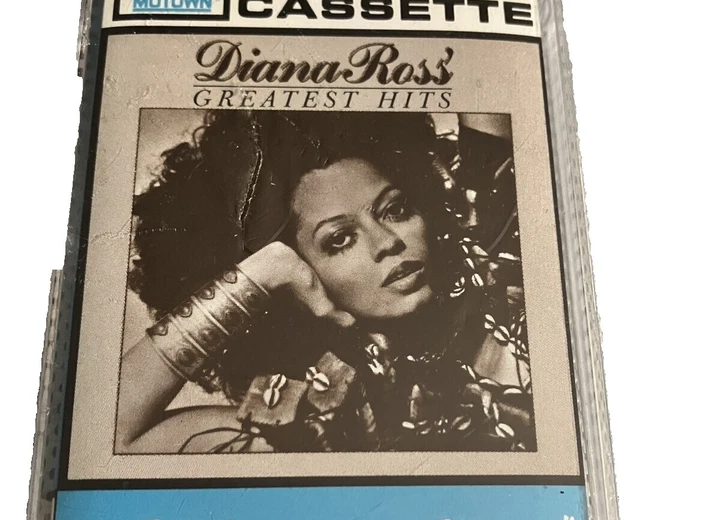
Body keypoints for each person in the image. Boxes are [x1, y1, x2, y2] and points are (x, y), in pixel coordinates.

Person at [116, 110, 535, 454]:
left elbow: (484, 84)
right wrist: (263, 271)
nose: (387, 242)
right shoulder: (317, 430)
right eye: (339, 240)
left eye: (395, 210)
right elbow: (113, 435)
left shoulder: (518, 295)